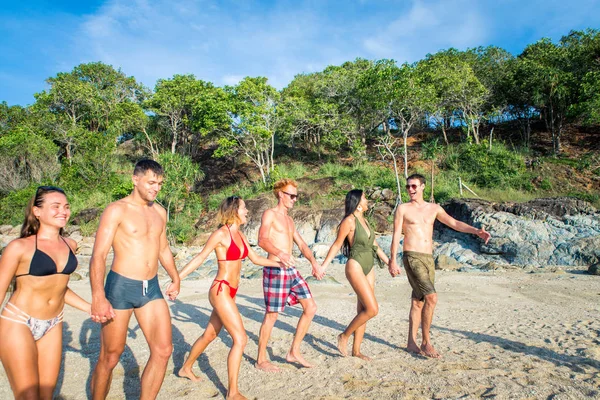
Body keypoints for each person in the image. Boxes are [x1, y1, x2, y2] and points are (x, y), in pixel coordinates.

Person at [176, 196, 284, 400]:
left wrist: (281, 263)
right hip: (221, 289)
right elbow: (200, 257)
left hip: (231, 292)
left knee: (209, 334)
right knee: (240, 339)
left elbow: (255, 258)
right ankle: (232, 392)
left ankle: (186, 368)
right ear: (234, 210)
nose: (247, 212)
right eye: (244, 208)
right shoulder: (220, 234)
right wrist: (177, 279)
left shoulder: (240, 235)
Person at [89, 159, 180, 400]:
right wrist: (98, 296)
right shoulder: (117, 210)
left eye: (160, 183)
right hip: (121, 287)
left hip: (151, 288)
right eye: (151, 182)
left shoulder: (160, 212)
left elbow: (163, 249)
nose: (156, 187)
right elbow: (98, 255)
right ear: (135, 179)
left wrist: (175, 277)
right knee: (110, 356)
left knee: (163, 350)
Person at [0, 186, 90, 399]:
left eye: (66, 207)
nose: (63, 211)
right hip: (18, 321)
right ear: (37, 211)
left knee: (46, 394)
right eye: (56, 206)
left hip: (53, 323)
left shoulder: (70, 244)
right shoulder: (18, 247)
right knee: (28, 395)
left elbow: (59, 288)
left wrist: (90, 307)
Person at [389, 174, 491, 358]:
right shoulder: (403, 209)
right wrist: (392, 260)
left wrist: (476, 231)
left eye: (413, 186)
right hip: (411, 256)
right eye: (408, 187)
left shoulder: (434, 208)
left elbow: (454, 223)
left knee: (418, 301)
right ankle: (426, 342)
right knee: (432, 298)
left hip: (428, 258)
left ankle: (411, 343)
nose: (410, 190)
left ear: (422, 187)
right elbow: (396, 234)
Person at [255, 179, 324, 371]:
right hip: (275, 268)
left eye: (296, 195)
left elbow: (302, 245)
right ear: (280, 194)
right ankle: (261, 359)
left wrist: (314, 263)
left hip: (291, 270)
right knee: (272, 315)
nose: (295, 199)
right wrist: (281, 253)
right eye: (291, 195)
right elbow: (262, 240)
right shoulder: (270, 214)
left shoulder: (289, 220)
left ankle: (294, 351)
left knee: (310, 307)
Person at [320, 189, 390, 361]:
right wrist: (323, 266)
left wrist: (390, 264)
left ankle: (356, 350)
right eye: (365, 198)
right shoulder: (349, 221)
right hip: (356, 265)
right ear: (358, 203)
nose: (367, 200)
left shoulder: (364, 220)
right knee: (373, 309)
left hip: (369, 266)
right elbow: (337, 245)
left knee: (363, 310)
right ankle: (344, 336)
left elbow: (375, 245)